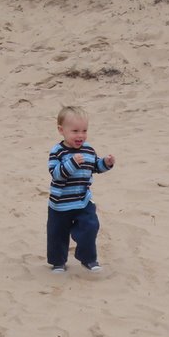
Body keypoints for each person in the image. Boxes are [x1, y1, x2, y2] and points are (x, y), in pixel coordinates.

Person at [47, 105, 116, 273]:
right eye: (75, 131)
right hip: (60, 204)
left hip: (82, 200)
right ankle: (58, 262)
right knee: (57, 234)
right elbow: (56, 174)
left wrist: (106, 163)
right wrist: (71, 164)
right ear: (61, 130)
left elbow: (95, 166)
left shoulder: (88, 149)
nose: (80, 136)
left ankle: (88, 259)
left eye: (84, 131)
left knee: (90, 227)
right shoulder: (57, 151)